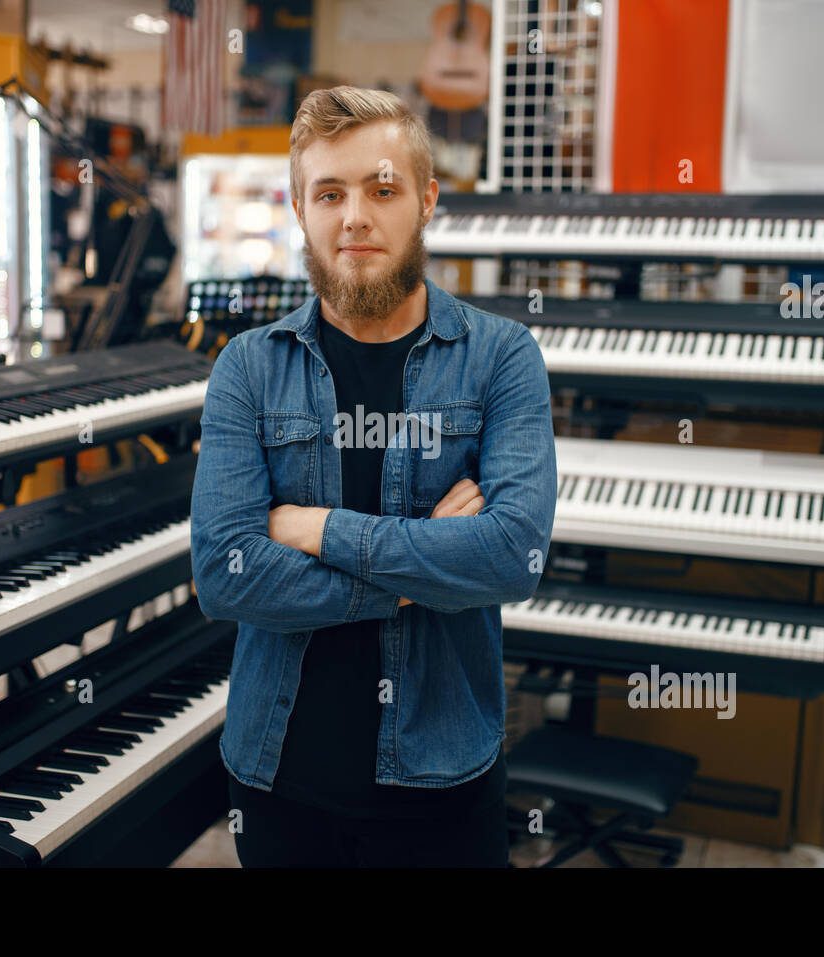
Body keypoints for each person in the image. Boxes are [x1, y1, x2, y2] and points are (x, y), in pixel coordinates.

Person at [190, 85, 557, 867]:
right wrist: (419, 565)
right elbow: (226, 578)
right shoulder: (247, 370)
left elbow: (512, 556)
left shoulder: (502, 358)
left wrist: (312, 528)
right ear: (298, 207)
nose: (354, 215)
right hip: (279, 778)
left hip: (445, 781)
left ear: (425, 199)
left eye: (381, 188)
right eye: (330, 192)